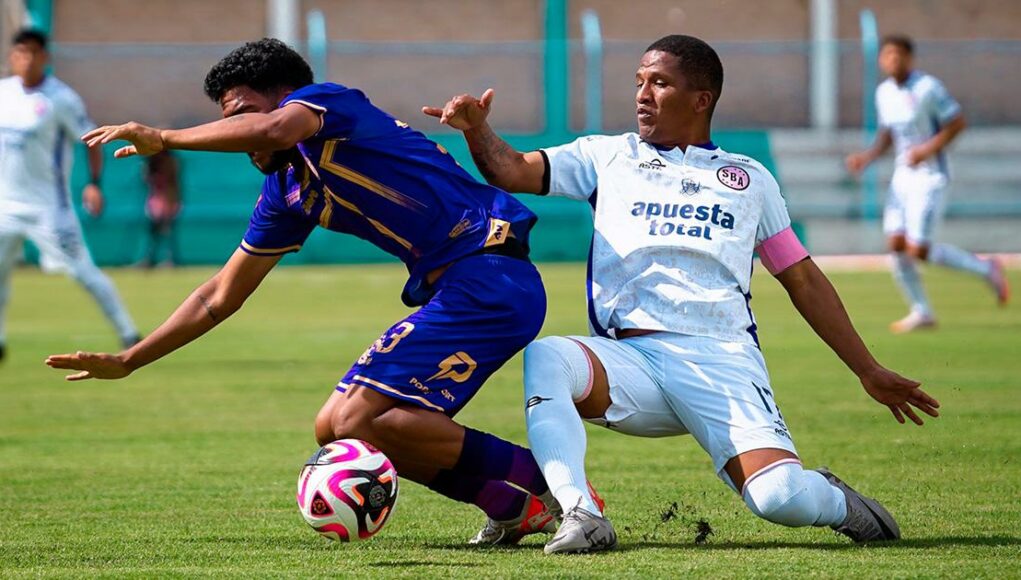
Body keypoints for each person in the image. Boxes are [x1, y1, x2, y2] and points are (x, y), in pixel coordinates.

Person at [425, 34, 941, 554]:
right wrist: (477, 130)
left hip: (722, 364)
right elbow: (511, 170)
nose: (642, 95)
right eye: (639, 82)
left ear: (701, 99)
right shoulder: (607, 157)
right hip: (633, 363)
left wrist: (867, 369)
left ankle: (831, 498)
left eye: (660, 82)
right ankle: (581, 512)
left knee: (779, 499)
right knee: (548, 355)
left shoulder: (750, 181)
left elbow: (801, 277)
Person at [46, 38, 566, 545]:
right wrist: (132, 359)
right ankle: (514, 506)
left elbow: (275, 127)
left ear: (288, 95)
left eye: (242, 113)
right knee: (336, 429)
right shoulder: (287, 190)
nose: (240, 132)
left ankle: (555, 486)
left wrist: (163, 137)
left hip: (491, 274)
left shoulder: (331, 103)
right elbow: (219, 295)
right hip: (460, 288)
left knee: (354, 417)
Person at [846, 34, 1009, 334]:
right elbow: (888, 134)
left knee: (918, 249)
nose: (892, 60)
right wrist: (868, 157)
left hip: (931, 176)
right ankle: (921, 311)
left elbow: (957, 123)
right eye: (887, 55)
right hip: (902, 176)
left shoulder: (928, 88)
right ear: (881, 60)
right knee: (896, 245)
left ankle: (987, 268)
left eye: (898, 54)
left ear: (909, 57)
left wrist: (926, 150)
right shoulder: (884, 92)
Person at [0, 28, 140, 362]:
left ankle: (129, 333)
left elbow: (90, 139)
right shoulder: (3, 94)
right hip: (5, 206)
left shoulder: (60, 98)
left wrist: (94, 183)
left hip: (49, 207)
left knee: (83, 272)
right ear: (12, 56)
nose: (27, 59)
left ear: (45, 57)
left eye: (34, 52)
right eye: (21, 52)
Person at [138, 150, 181, 268]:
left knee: (167, 232)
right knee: (154, 232)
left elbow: (173, 187)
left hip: (168, 200)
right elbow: (146, 180)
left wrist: (170, 204)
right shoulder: (152, 165)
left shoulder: (170, 164)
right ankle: (149, 259)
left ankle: (170, 259)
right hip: (155, 201)